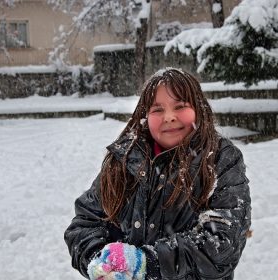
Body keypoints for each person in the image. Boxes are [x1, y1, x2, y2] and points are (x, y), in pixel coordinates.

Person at [64, 68, 251, 280]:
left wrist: (147, 262)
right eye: (157, 109)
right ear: (144, 116)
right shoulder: (124, 160)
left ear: (199, 110)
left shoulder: (220, 159)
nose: (170, 117)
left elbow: (223, 244)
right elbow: (84, 223)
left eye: (180, 106)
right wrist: (100, 261)